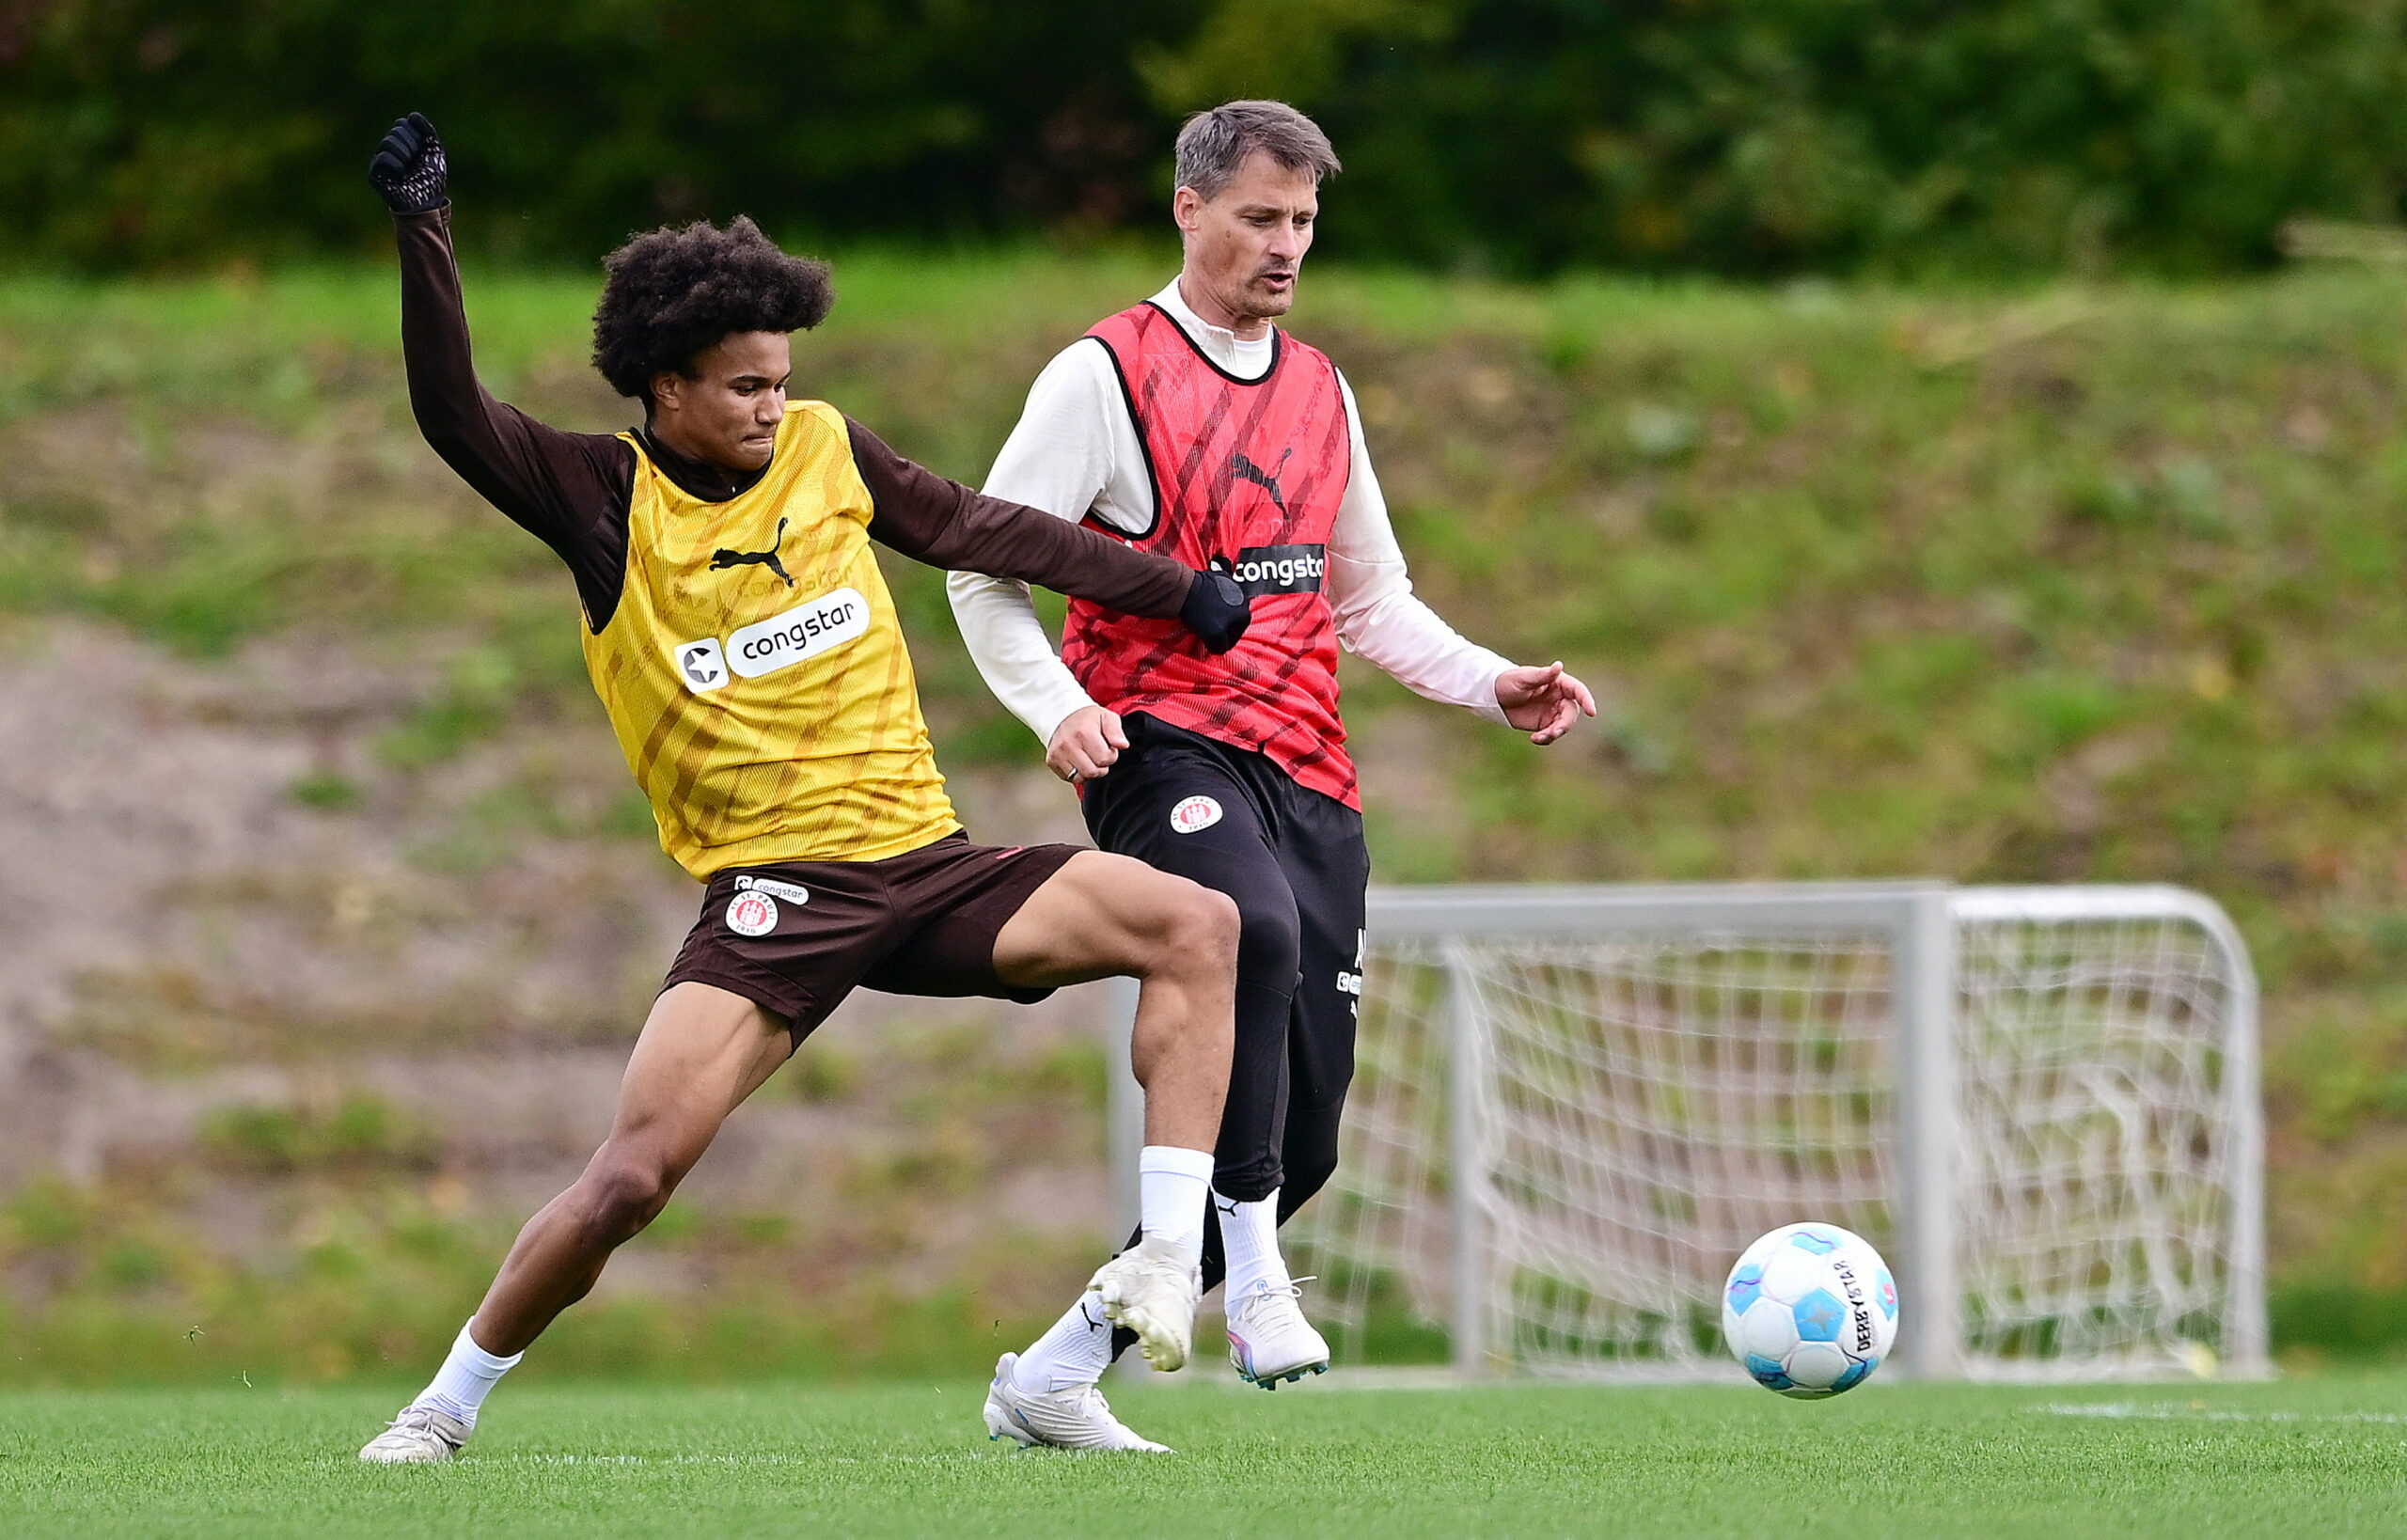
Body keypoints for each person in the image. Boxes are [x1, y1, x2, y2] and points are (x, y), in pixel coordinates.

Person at [355, 113, 1255, 1463]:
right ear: (663, 387)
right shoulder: (601, 500)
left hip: (930, 866)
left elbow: (984, 526)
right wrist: (425, 227)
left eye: (780, 381)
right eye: (741, 388)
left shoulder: (830, 451)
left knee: (1198, 925)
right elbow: (449, 412)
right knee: (631, 1177)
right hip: (775, 894)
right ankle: (445, 1404)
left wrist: (1175, 590)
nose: (771, 408)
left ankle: (1157, 1269)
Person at [950, 100, 1596, 1451]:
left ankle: (1058, 1368)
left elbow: (1372, 600)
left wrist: (1494, 680)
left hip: (1312, 770)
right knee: (1243, 928)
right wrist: (1058, 708)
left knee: (1305, 1138)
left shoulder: (1321, 387)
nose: (1286, 244)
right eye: (1259, 217)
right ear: (1186, 210)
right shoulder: (1103, 376)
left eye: (1303, 220)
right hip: (1160, 745)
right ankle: (1251, 1287)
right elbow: (980, 563)